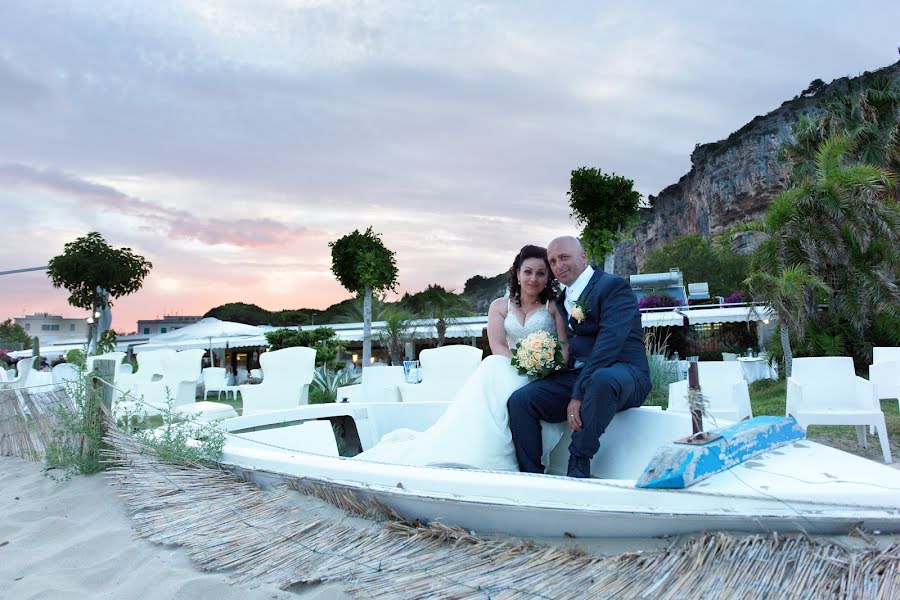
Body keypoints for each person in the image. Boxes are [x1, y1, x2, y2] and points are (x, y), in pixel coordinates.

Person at [354, 245, 569, 470]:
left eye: (540, 273)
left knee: (496, 373)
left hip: (543, 374)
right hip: (508, 366)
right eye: (528, 272)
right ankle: (467, 447)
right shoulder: (499, 306)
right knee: (492, 365)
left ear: (548, 277)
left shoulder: (552, 307)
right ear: (517, 273)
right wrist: (524, 364)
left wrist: (545, 368)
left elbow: (563, 347)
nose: (533, 278)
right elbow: (497, 345)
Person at [507, 236, 651, 478]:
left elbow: (608, 346)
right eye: (552, 261)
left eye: (564, 257)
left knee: (601, 380)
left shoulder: (613, 287)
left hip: (625, 375)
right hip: (582, 376)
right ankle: (531, 474)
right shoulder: (561, 299)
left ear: (583, 256)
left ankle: (578, 462)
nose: (558, 265)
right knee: (522, 400)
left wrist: (578, 393)